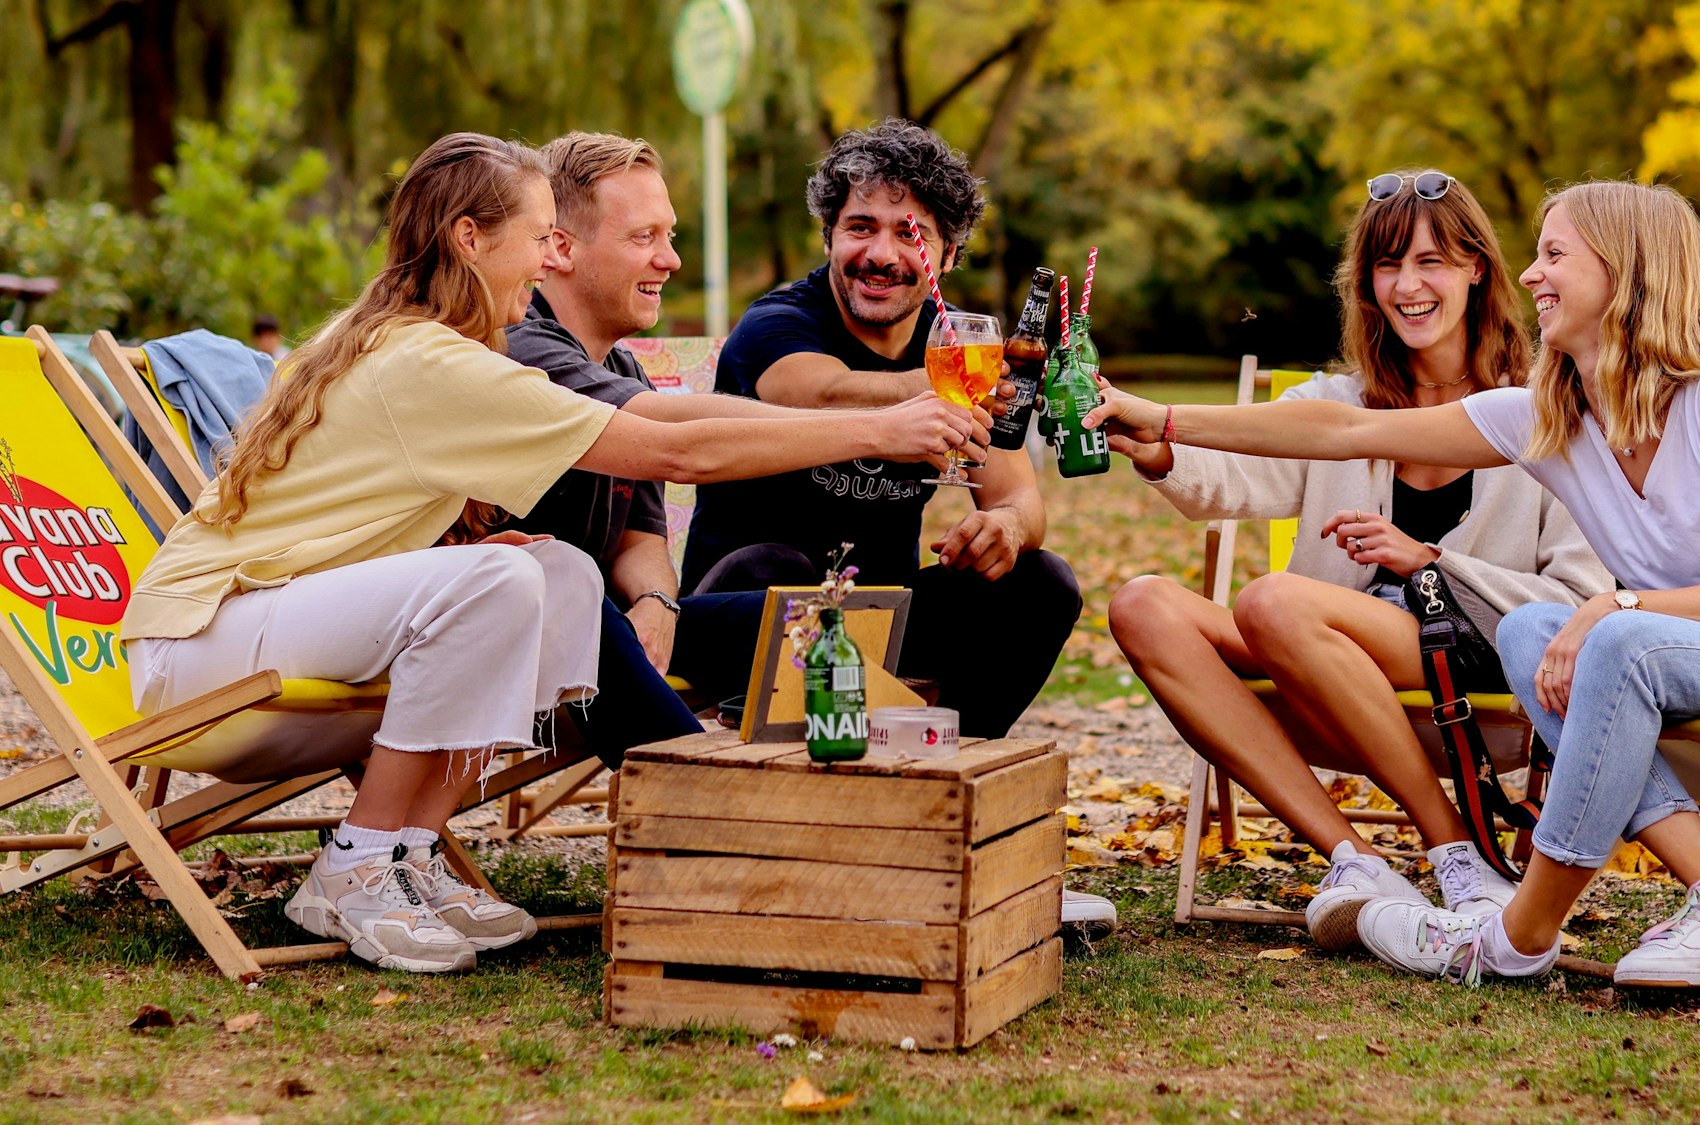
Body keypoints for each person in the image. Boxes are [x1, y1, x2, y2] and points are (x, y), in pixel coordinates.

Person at [122, 133, 988, 974]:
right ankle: (355, 864)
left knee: (559, 570)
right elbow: (672, 452)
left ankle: (411, 852)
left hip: (274, 631)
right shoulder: (431, 361)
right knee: (500, 574)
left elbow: (661, 423)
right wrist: (875, 427)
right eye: (538, 239)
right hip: (203, 651)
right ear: (472, 239)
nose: (546, 263)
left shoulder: (443, 347)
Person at [1085, 180, 1700, 990]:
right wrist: (1162, 419)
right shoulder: (1556, 414)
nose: (1530, 274)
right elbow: (1344, 428)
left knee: (1606, 635)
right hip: (1696, 671)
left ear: (1624, 273)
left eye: (1554, 254)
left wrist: (1613, 604)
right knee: (1537, 634)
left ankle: (1513, 934)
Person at [1107, 172, 1610, 950]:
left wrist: (1432, 565)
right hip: (1326, 686)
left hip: (1478, 697)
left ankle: (1459, 850)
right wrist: (1160, 448)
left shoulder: (1545, 409)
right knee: (1142, 603)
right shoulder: (1339, 402)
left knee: (1275, 600)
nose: (1407, 286)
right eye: (1387, 266)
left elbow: (1580, 596)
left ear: (1479, 268)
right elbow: (1231, 475)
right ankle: (1357, 858)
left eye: (1431, 261)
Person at [679, 119, 1107, 937]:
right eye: (858, 228)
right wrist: (943, 389)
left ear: (946, 257)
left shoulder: (963, 340)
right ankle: (804, 839)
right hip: (744, 613)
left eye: (909, 234)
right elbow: (813, 391)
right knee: (777, 563)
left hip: (885, 618)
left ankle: (938, 813)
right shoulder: (780, 323)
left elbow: (1020, 496)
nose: (880, 253)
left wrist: (1006, 530)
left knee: (1042, 582)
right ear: (830, 236)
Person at [497, 131, 950, 767]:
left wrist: (656, 603)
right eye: (643, 238)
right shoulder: (522, 350)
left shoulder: (624, 364)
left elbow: (640, 538)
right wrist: (881, 429)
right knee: (570, 591)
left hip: (608, 626)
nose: (670, 260)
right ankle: (698, 805)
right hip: (513, 624)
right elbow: (677, 446)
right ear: (563, 248)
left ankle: (881, 786)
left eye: (670, 236)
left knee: (818, 624)